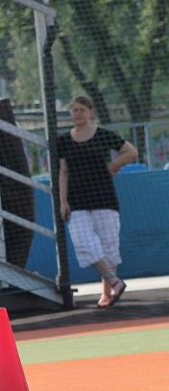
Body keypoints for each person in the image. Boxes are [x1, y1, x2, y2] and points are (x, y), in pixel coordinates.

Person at [58, 96, 138, 308]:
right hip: (76, 200)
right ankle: (116, 282)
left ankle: (107, 294)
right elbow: (63, 171)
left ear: (90, 112)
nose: (77, 113)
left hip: (104, 197)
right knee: (83, 243)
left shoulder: (102, 135)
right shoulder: (63, 140)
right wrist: (63, 201)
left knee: (108, 246)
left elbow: (131, 152)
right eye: (74, 110)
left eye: (81, 109)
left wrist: (113, 166)